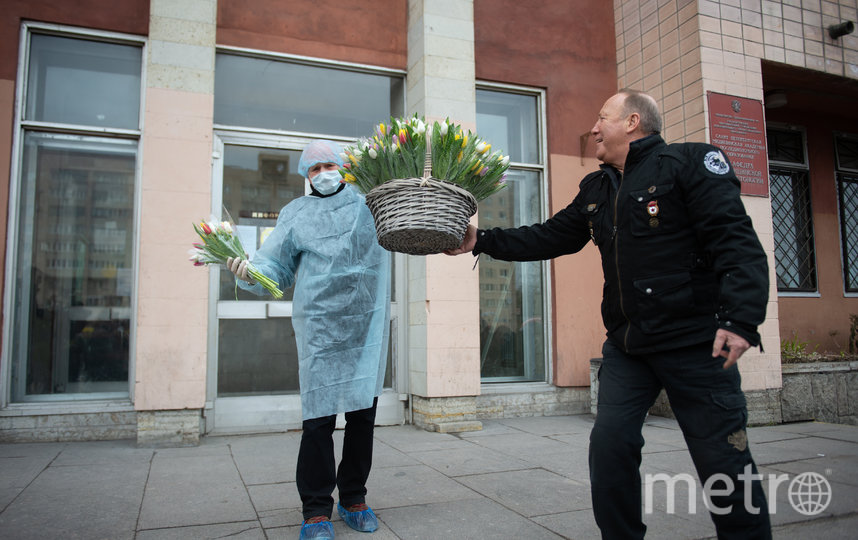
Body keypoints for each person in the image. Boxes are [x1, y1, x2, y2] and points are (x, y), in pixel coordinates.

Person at [446, 89, 772, 539]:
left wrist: (740, 320)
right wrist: (481, 240)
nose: (594, 129)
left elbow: (736, 242)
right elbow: (550, 236)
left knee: (724, 461)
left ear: (633, 122)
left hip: (695, 342)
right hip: (628, 347)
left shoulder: (690, 164)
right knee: (610, 446)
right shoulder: (597, 187)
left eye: (603, 118)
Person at [227, 140, 390, 540]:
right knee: (318, 420)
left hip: (364, 325)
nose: (322, 174)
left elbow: (405, 230)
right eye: (313, 170)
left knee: (361, 417)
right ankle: (316, 511)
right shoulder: (296, 213)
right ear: (306, 177)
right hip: (320, 327)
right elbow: (275, 266)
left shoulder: (372, 205)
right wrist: (251, 273)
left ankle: (354, 499)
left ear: (346, 168)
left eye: (329, 165)